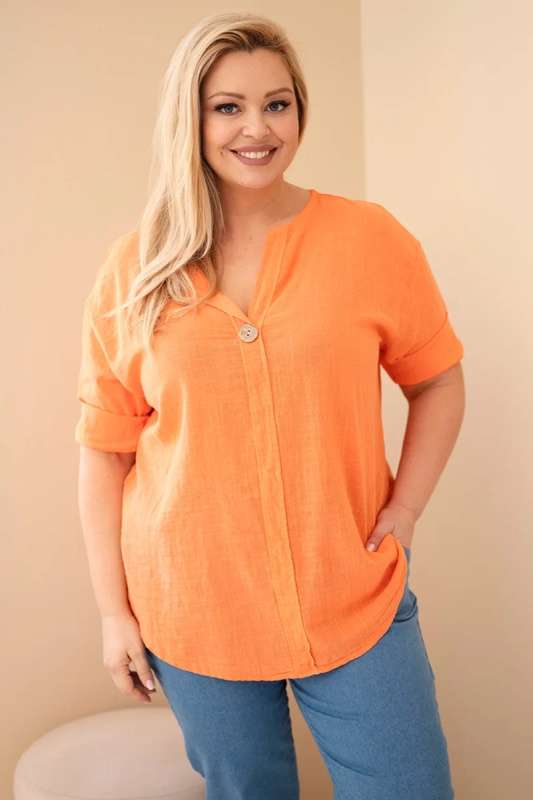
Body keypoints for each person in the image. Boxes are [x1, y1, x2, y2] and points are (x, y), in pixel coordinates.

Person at [75, 11, 465, 800]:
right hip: (193, 606)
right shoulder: (135, 268)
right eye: (228, 107)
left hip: (352, 593)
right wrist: (115, 615)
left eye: (276, 104)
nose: (257, 128)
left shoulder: (370, 239)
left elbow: (436, 381)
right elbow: (105, 450)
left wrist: (405, 510)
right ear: (190, 119)